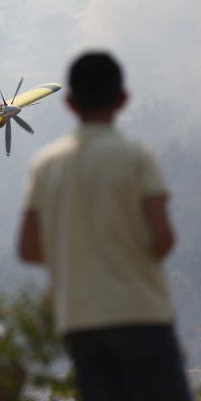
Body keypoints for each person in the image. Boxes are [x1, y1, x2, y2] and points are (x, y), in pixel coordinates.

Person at [16, 51, 191, 401]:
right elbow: (162, 238)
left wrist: (79, 259)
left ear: (69, 104)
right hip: (142, 314)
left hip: (81, 323)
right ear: (123, 100)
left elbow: (28, 248)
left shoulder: (45, 165)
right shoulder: (138, 156)